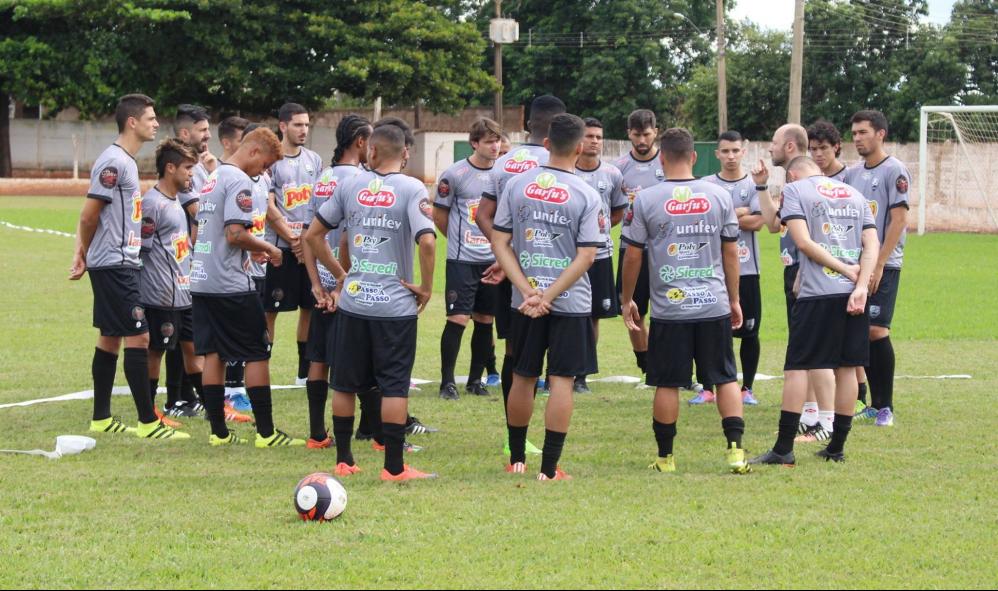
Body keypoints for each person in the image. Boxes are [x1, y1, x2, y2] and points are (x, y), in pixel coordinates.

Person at [621, 127, 750, 474]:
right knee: (725, 377)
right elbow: (732, 254)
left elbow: (632, 256)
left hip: (669, 308)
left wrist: (627, 298)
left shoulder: (645, 199)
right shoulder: (719, 195)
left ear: (662, 158)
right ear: (694, 157)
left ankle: (666, 458)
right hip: (714, 304)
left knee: (667, 381)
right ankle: (736, 452)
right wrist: (734, 299)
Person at [315, 123, 438, 481]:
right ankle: (394, 468)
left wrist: (342, 276)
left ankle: (344, 459)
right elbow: (428, 242)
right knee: (394, 384)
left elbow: (313, 235)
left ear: (370, 151)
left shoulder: (350, 185)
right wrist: (426, 287)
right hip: (394, 306)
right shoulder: (412, 188)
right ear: (404, 154)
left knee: (344, 383)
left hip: (353, 303)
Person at [69, 93, 187, 440]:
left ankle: (101, 418)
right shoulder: (115, 162)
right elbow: (90, 214)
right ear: (132, 122)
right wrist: (83, 251)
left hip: (119, 261)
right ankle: (148, 422)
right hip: (116, 264)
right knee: (140, 335)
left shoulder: (127, 162)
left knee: (110, 338)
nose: (155, 123)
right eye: (150, 118)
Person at [492, 113, 603, 480]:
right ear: (580, 147)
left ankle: (517, 457)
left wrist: (528, 291)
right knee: (561, 381)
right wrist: (550, 296)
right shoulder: (587, 193)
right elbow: (587, 254)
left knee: (523, 376)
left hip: (524, 302)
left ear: (546, 144)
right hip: (568, 302)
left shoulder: (517, 185)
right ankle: (550, 468)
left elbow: (499, 241)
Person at [750, 156, 878, 465]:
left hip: (818, 293)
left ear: (792, 175)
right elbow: (872, 244)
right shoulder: (852, 193)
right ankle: (837, 447)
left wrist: (845, 271)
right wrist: (860, 284)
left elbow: (803, 243)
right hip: (853, 296)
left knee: (798, 367)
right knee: (847, 367)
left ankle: (783, 449)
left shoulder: (795, 191)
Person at [192, 126, 304, 447]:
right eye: (265, 164)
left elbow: (218, 233)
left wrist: (249, 245)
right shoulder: (240, 180)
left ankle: (218, 433)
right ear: (254, 151)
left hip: (203, 278)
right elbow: (235, 233)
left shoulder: (215, 176)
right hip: (230, 282)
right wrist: (269, 248)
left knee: (214, 353)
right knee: (257, 351)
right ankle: (266, 434)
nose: (264, 171)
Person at [476, 94, 567, 457]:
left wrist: (507, 255)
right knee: (560, 362)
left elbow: (484, 215)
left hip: (515, 276)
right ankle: (545, 439)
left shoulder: (505, 163)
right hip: (562, 277)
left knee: (517, 351)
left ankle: (514, 435)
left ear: (527, 122)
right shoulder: (565, 161)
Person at [301, 114, 371, 447]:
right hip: (351, 283)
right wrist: (343, 282)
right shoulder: (362, 180)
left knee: (318, 358)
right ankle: (371, 430)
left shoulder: (323, 178)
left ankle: (317, 434)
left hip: (323, 284)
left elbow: (307, 236)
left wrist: (316, 284)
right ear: (360, 142)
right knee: (362, 359)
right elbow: (348, 240)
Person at [843, 109, 911, 428]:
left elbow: (899, 220)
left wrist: (880, 262)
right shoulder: (852, 175)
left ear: (880, 134)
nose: (857, 138)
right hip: (857, 264)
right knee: (861, 332)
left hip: (885, 264)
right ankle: (870, 403)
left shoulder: (894, 170)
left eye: (863, 132)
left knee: (876, 329)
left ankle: (885, 406)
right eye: (854, 133)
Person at [433, 118, 502, 400]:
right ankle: (447, 382)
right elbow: (439, 214)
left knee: (485, 320)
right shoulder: (455, 173)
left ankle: (476, 380)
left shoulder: (503, 174)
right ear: (475, 143)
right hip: (462, 260)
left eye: (497, 140)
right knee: (458, 318)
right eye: (488, 141)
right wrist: (459, 241)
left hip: (494, 260)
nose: (495, 146)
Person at [139, 139, 204, 429]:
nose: (192, 174)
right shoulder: (152, 204)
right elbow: (142, 250)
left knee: (193, 349)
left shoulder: (176, 200)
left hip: (184, 292)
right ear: (170, 168)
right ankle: (151, 413)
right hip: (161, 296)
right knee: (156, 351)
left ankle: (214, 407)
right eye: (188, 168)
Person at [700, 130, 765, 406]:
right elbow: (701, 221)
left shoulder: (753, 185)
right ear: (717, 154)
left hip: (747, 268)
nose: (730, 156)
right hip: (710, 271)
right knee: (708, 330)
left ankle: (746, 388)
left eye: (735, 151)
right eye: (725, 151)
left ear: (743, 152)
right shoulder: (704, 184)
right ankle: (707, 388)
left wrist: (726, 216)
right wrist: (739, 212)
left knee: (749, 331)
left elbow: (759, 222)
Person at [265, 102, 323, 385]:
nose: (304, 130)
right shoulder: (270, 161)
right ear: (283, 126)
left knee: (310, 309)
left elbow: (320, 205)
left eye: (307, 125)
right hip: (280, 250)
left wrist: (307, 240)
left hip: (308, 248)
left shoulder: (314, 160)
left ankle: (304, 372)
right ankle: (261, 368)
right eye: (298, 125)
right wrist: (292, 238)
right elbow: (268, 205)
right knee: (270, 311)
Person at [574, 117, 626, 393]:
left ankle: (582, 373)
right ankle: (555, 369)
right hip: (567, 255)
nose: (595, 140)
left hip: (600, 253)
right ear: (578, 141)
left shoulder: (612, 174)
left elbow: (617, 210)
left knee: (593, 314)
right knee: (565, 311)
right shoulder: (567, 171)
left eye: (598, 136)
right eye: (589, 136)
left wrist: (597, 231)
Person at [615, 109, 665, 377]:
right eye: (637, 135)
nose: (642, 140)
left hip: (665, 249)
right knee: (633, 309)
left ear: (655, 132)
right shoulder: (619, 168)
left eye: (647, 134)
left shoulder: (667, 164)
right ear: (629, 134)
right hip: (631, 248)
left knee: (669, 309)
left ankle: (666, 363)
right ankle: (646, 366)